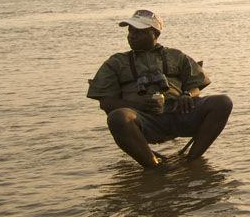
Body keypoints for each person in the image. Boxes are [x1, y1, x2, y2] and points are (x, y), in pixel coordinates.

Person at [87, 9, 233, 169]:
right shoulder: (116, 62)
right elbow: (106, 102)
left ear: (155, 34)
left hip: (180, 113)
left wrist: (187, 95)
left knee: (222, 102)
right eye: (130, 31)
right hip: (144, 119)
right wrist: (139, 107)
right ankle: (155, 168)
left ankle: (192, 160)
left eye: (139, 32)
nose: (132, 36)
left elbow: (195, 86)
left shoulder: (176, 56)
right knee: (118, 117)